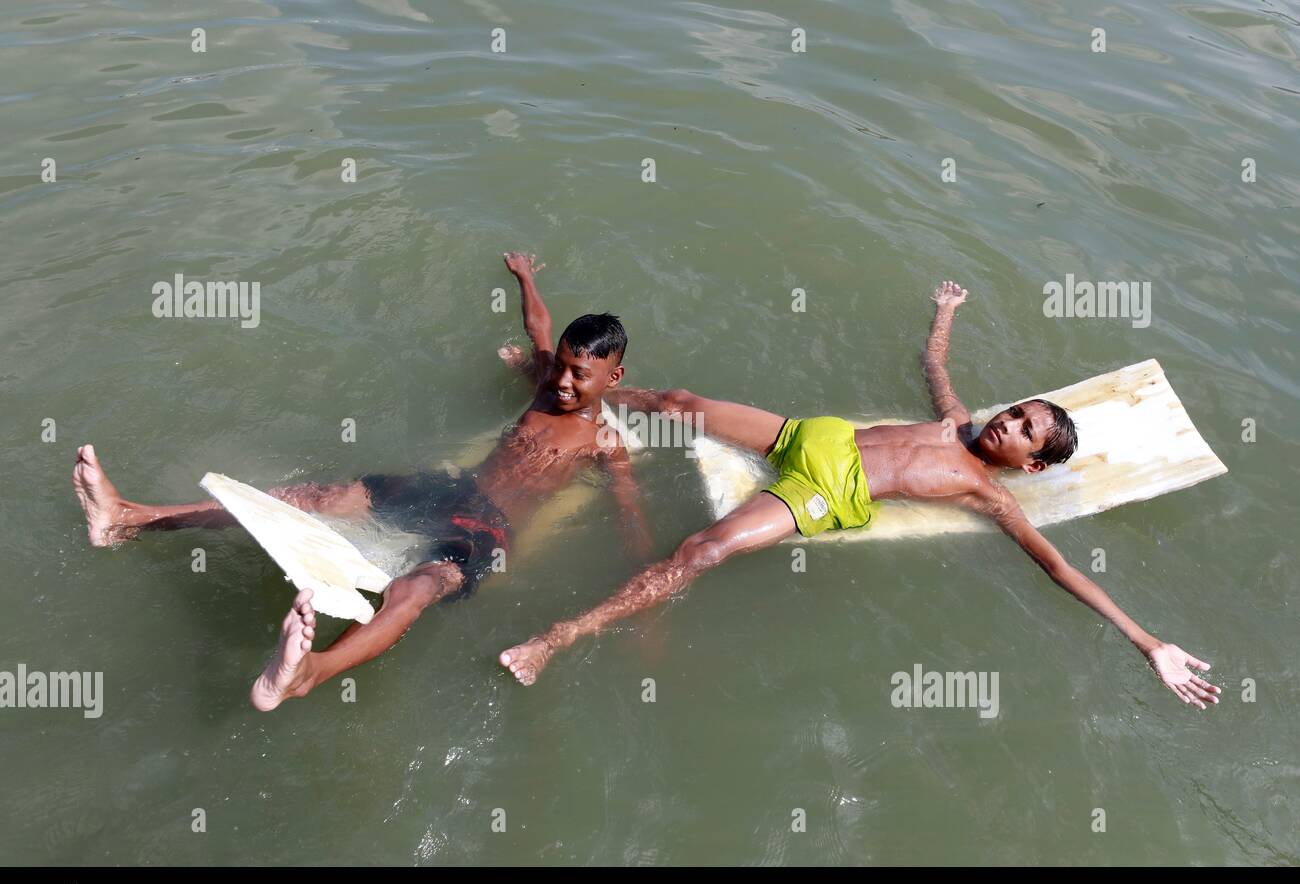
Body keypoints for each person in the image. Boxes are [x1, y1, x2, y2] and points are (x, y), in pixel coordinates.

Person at [499, 281, 1221, 710]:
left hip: (821, 488)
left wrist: (1149, 643)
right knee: (682, 400)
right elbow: (935, 363)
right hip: (807, 437)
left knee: (702, 549)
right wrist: (946, 313)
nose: (1007, 420)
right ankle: (575, 391)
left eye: (1023, 429)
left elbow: (1063, 569)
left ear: (1031, 466)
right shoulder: (956, 421)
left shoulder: (988, 497)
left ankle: (556, 638)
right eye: (1017, 410)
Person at [73, 253, 650, 710]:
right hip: (448, 489)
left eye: (583, 375)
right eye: (565, 367)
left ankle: (307, 673)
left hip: (484, 530)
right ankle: (127, 519)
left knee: (415, 590)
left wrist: (643, 576)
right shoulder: (547, 380)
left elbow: (627, 506)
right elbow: (538, 324)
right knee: (305, 499)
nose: (566, 383)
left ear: (613, 376)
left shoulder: (605, 444)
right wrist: (524, 275)